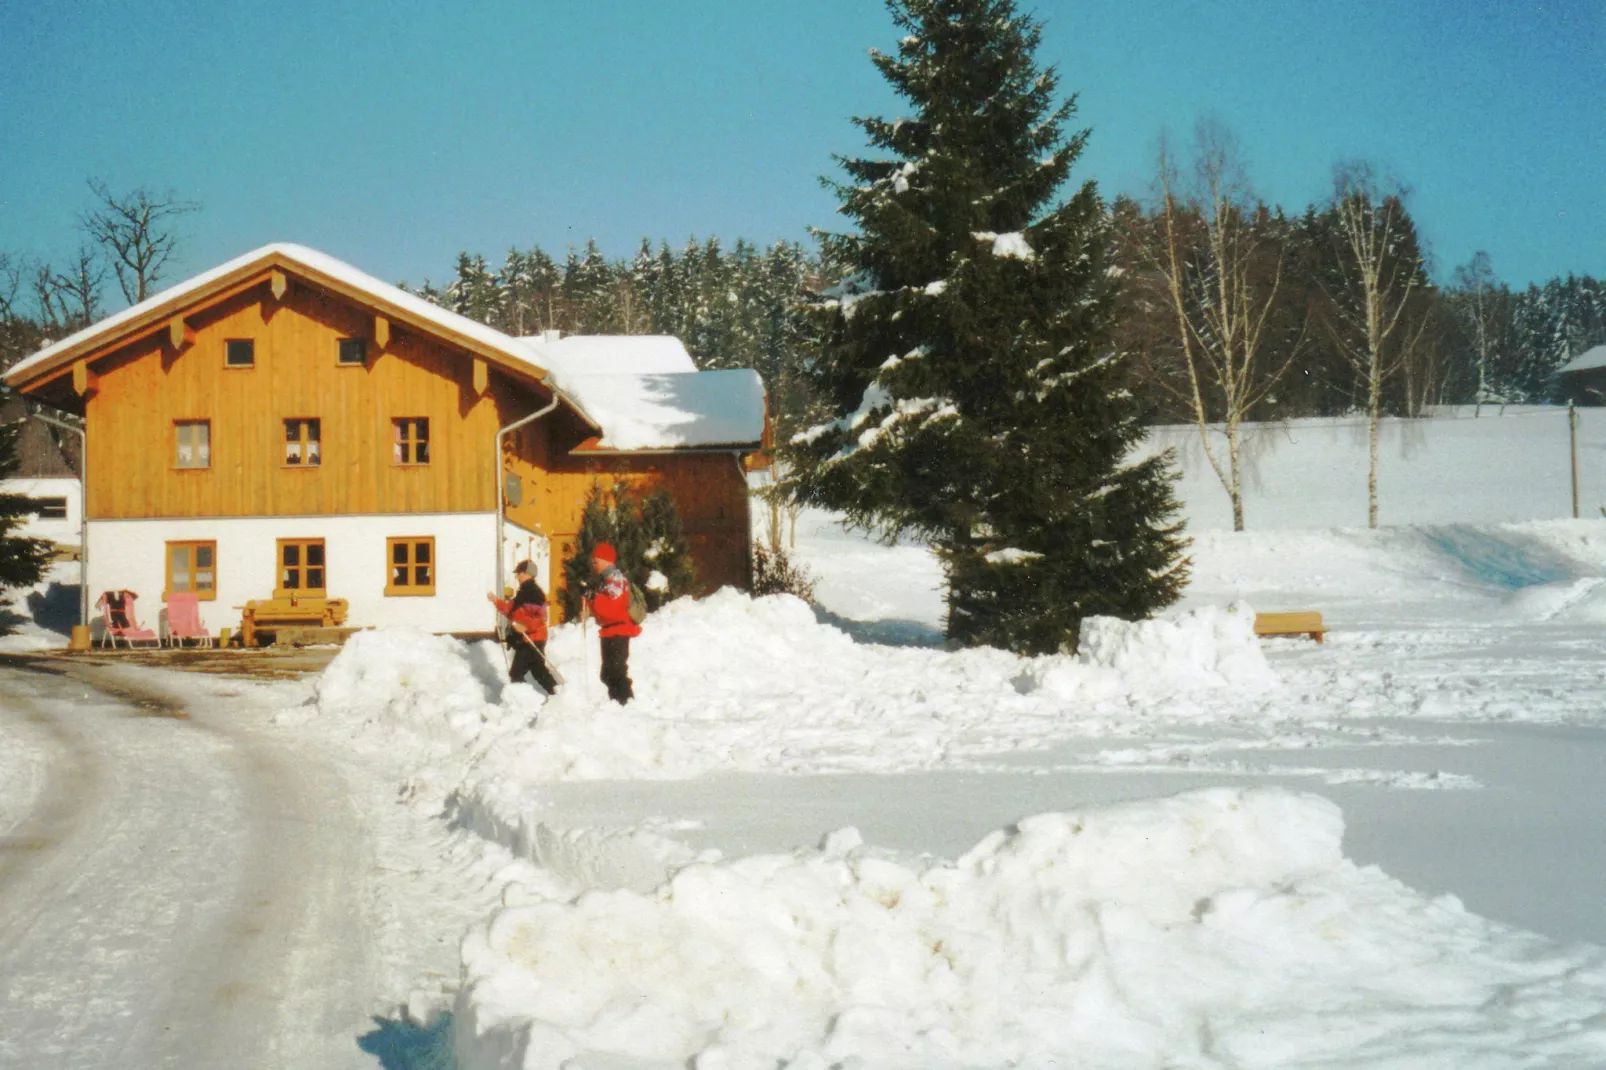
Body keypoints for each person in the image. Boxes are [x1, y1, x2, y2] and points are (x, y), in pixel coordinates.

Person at [486, 561, 559, 695]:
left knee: (517, 673)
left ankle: (528, 699)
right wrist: (496, 601)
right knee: (537, 671)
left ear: (527, 574)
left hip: (533, 639)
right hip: (527, 639)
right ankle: (556, 693)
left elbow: (540, 618)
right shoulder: (523, 592)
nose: (517, 577)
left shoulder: (535, 594)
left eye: (519, 574)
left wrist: (525, 627)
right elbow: (510, 610)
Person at [583, 541, 640, 705]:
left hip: (618, 631)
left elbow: (611, 607)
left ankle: (626, 704)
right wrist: (590, 598)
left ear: (606, 559)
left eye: (596, 560)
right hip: (609, 631)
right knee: (608, 673)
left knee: (616, 671)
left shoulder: (616, 579)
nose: (594, 564)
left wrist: (593, 597)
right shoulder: (606, 580)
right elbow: (602, 609)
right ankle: (618, 704)